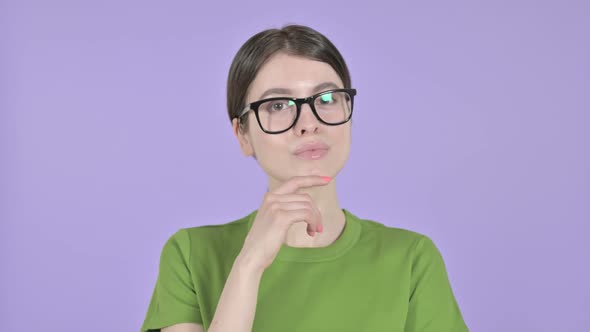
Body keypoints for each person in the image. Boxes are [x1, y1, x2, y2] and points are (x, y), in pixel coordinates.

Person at [140, 24, 469, 332]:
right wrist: (249, 264)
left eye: (327, 99)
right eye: (279, 104)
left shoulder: (411, 258)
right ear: (243, 134)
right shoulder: (191, 254)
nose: (309, 122)